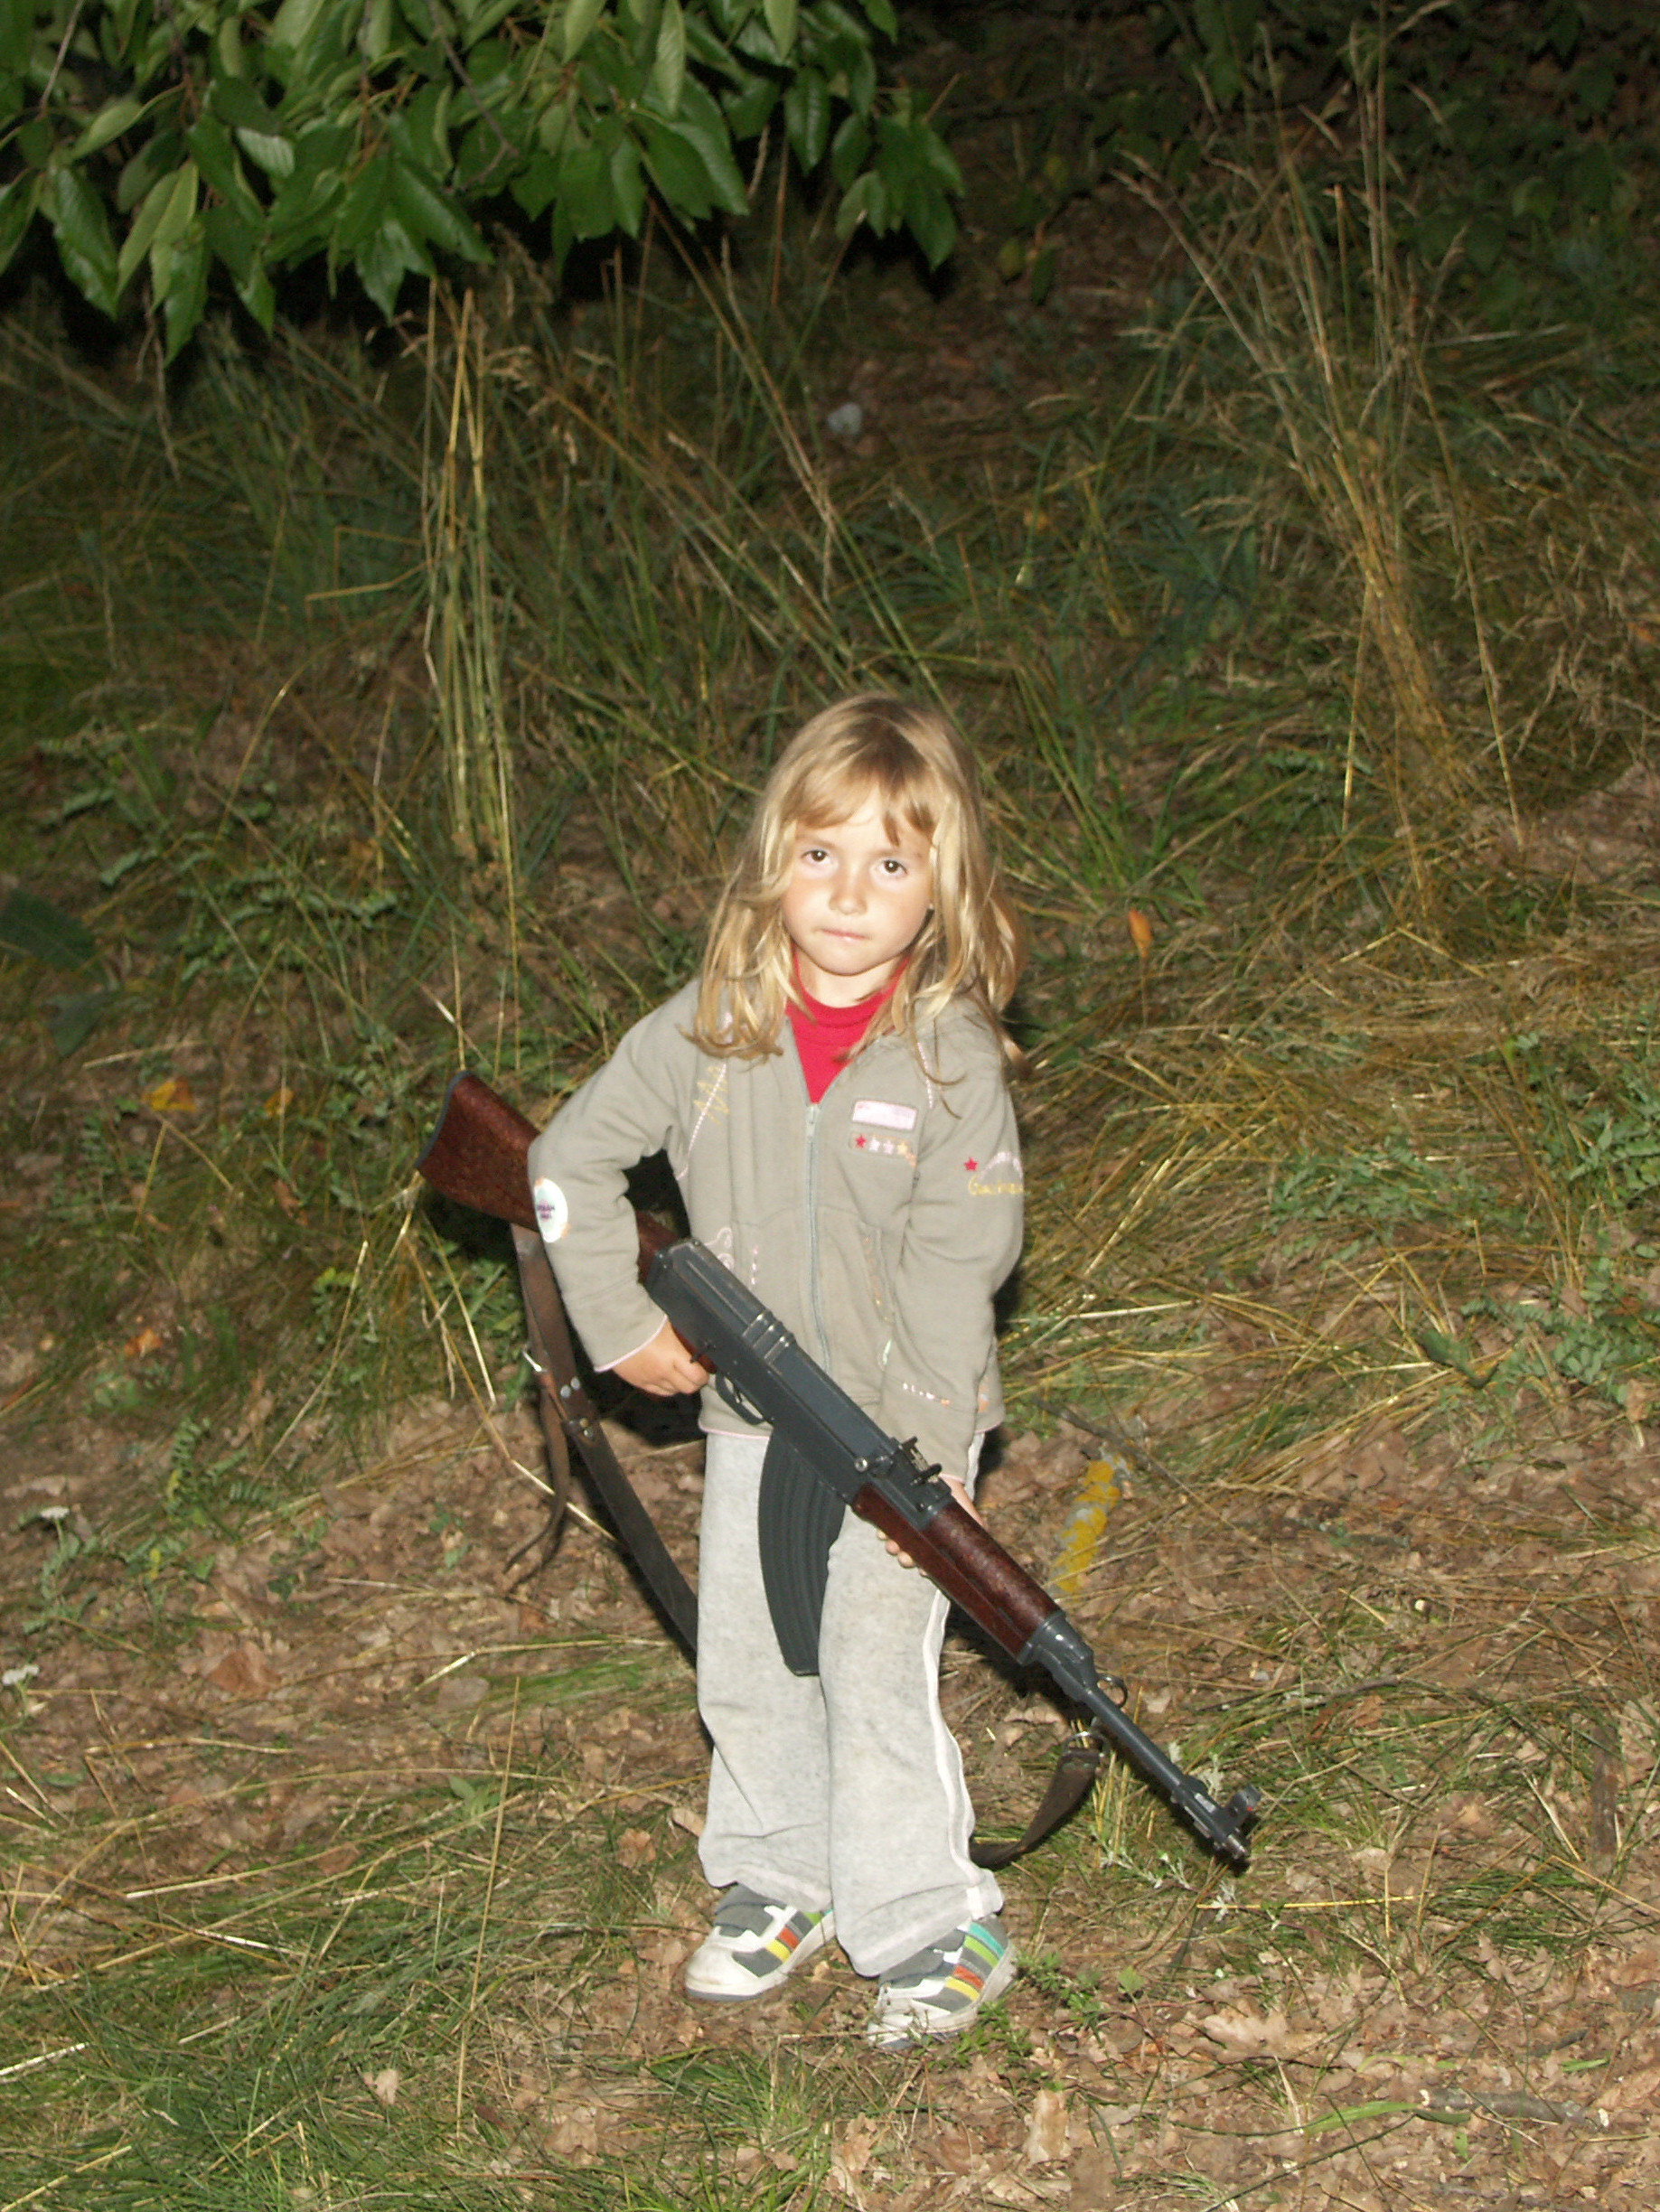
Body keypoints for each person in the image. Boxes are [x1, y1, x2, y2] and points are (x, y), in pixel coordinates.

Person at [526, 693, 1026, 2048]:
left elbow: (959, 1268)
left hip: (899, 1430)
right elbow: (564, 1161)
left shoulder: (948, 1063)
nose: (849, 893)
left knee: (870, 1666)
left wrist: (933, 1464)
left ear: (942, 887)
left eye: (890, 862)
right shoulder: (705, 1030)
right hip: (752, 1419)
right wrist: (618, 1324)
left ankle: (933, 1922)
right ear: (772, 863)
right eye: (821, 854)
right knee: (747, 1664)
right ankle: (779, 1877)